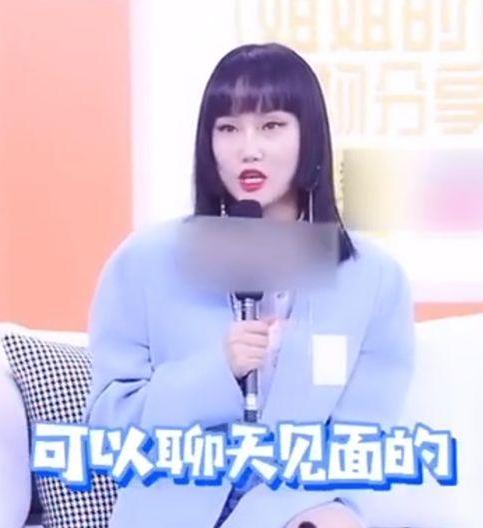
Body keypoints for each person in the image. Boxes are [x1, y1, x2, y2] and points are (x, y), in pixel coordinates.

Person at [84, 42, 414, 527]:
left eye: (271, 126)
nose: (248, 148)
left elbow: (359, 445)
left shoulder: (373, 278)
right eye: (228, 128)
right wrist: (217, 370)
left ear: (310, 136)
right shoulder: (145, 261)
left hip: (293, 513)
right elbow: (109, 426)